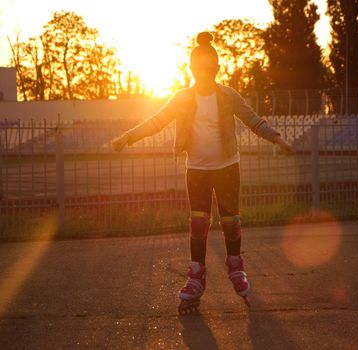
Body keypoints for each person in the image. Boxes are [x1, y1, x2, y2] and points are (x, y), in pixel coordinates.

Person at [112, 31, 294, 314]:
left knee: (231, 221)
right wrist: (128, 137)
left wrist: (277, 138)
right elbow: (157, 121)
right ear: (192, 69)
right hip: (196, 169)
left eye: (209, 67)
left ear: (217, 68)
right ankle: (196, 274)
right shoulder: (182, 98)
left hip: (227, 167)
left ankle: (235, 266)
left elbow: (253, 120)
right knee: (198, 223)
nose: (204, 72)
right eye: (199, 67)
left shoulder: (228, 96)